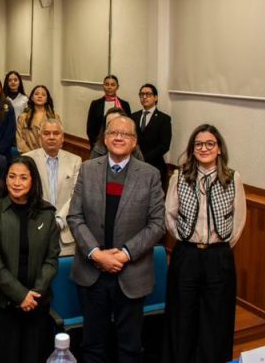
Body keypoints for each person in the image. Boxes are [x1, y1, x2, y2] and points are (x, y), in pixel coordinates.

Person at [67, 115, 165, 363]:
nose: (119, 137)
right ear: (105, 138)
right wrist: (96, 254)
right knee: (92, 345)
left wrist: (124, 254)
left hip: (131, 273)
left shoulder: (150, 174)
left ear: (134, 142)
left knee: (130, 348)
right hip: (92, 273)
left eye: (126, 134)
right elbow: (75, 216)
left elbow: (157, 224)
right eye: (113, 133)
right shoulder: (88, 169)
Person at [162, 125, 246, 363]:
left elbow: (239, 221)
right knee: (182, 316)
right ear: (192, 149)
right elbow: (169, 215)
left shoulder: (232, 178)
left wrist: (218, 247)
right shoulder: (179, 176)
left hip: (218, 257)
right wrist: (185, 238)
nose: (204, 148)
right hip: (186, 255)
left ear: (219, 149)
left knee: (216, 318)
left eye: (210, 143)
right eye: (198, 144)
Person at [0, 156, 60, 363]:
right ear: (5, 179)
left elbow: (51, 259)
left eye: (23, 177)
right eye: (12, 176)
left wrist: (34, 294)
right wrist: (20, 295)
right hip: (2, 304)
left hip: (37, 303)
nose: (16, 183)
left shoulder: (47, 213)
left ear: (33, 181)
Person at [23, 119, 82, 256]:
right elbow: (25, 195)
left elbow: (77, 195)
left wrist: (59, 221)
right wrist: (44, 222)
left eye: (56, 133)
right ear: (40, 137)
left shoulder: (75, 161)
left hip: (66, 234)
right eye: (46, 133)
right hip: (35, 230)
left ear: (62, 137)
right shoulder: (27, 159)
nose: (51, 137)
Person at [132, 83, 172, 188]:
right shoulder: (133, 116)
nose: (144, 97)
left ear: (155, 97)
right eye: (142, 94)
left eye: (148, 94)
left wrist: (144, 157)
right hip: (134, 164)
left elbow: (164, 145)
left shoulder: (164, 119)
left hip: (155, 165)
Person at [85, 74, 132, 145]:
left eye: (113, 85)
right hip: (99, 144)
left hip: (119, 143)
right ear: (103, 86)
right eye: (107, 84)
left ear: (117, 87)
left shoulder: (125, 105)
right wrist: (97, 145)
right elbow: (90, 129)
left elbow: (128, 127)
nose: (109, 87)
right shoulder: (95, 104)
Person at [16, 84, 59, 153]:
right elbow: (19, 140)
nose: (40, 96)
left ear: (47, 99)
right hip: (28, 155)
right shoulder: (23, 117)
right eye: (36, 94)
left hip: (48, 154)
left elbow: (58, 139)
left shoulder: (54, 117)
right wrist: (32, 155)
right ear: (32, 98)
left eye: (43, 95)